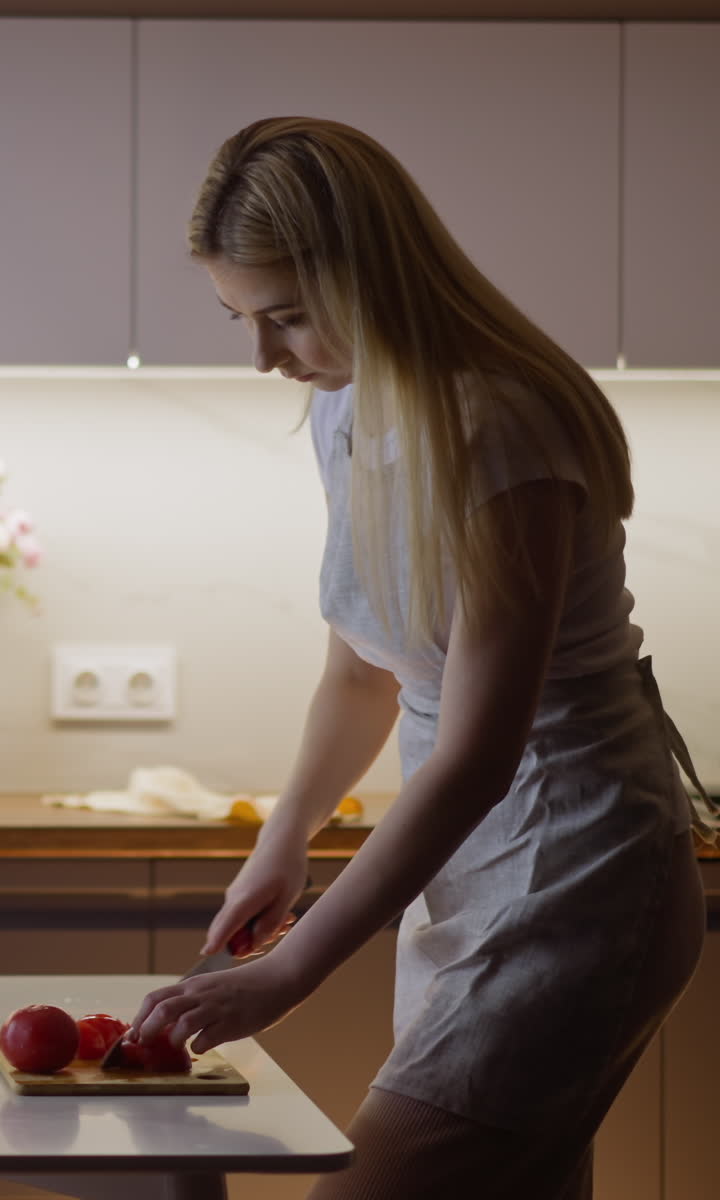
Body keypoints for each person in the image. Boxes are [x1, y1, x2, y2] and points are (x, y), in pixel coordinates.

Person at [130, 117, 716, 1199]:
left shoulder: (500, 424)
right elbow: (364, 669)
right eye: (242, 318)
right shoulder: (346, 404)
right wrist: (285, 839)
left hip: (577, 871)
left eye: (287, 315)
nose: (265, 356)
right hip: (472, 872)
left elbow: (480, 754)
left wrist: (290, 970)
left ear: (367, 275)